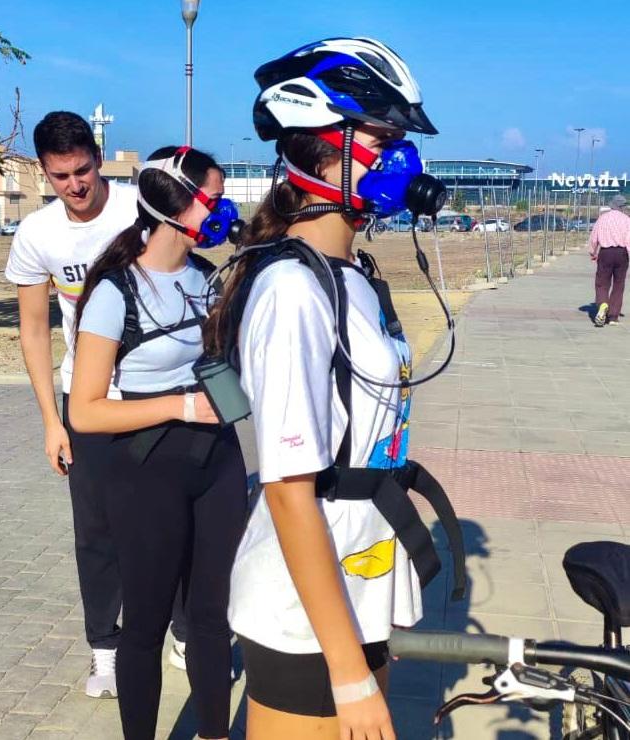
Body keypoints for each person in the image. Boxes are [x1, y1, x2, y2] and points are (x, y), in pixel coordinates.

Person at [205, 37, 459, 740]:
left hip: (358, 582)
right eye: (384, 137)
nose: (402, 158)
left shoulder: (352, 271)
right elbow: (289, 490)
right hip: (304, 612)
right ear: (322, 143)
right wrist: (348, 675)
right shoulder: (292, 288)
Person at [69, 145, 248, 740]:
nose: (223, 209)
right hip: (146, 471)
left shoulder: (207, 278)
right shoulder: (115, 293)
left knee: (211, 616)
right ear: (174, 206)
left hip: (217, 461)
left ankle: (214, 733)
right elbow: (86, 412)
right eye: (215, 198)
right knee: (145, 624)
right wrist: (181, 406)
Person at [5, 111, 137, 697]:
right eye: (61, 176)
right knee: (97, 532)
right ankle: (104, 650)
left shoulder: (141, 209)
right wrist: (50, 422)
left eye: (83, 170)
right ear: (43, 173)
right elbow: (34, 330)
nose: (75, 186)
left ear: (98, 158)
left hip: (159, 394)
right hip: (84, 400)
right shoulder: (37, 234)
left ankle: (186, 631)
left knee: (175, 519)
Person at [589, 194, 630, 326]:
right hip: (621, 253)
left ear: (612, 205)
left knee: (602, 282)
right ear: (622, 207)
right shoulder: (627, 220)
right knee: (619, 284)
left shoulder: (603, 219)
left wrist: (593, 252)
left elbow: (594, 237)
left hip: (605, 253)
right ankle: (613, 316)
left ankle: (603, 304)